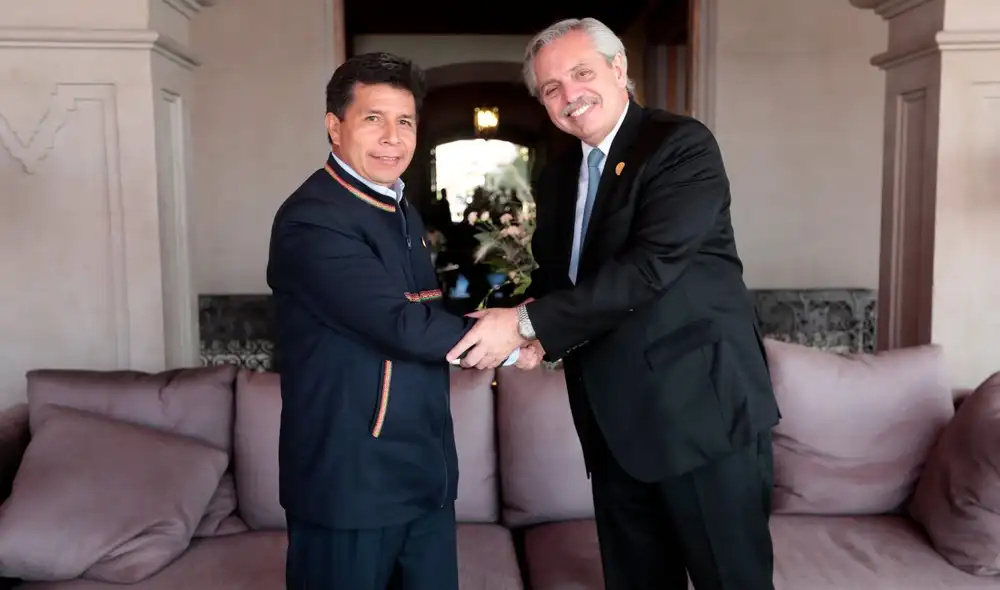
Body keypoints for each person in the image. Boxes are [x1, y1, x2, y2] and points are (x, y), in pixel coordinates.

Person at [447, 18, 781, 590]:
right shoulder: (558, 175)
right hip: (611, 420)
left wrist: (525, 323)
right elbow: (566, 283)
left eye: (581, 73)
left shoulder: (680, 145)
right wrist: (537, 338)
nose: (569, 95)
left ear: (618, 69)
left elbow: (650, 269)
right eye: (551, 87)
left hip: (697, 412)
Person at [266, 52, 533, 590]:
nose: (393, 137)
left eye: (404, 121)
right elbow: (399, 323)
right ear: (334, 127)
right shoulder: (312, 219)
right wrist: (517, 336)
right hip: (351, 481)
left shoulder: (397, 205)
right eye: (373, 119)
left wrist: (505, 320)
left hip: (422, 473)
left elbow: (426, 310)